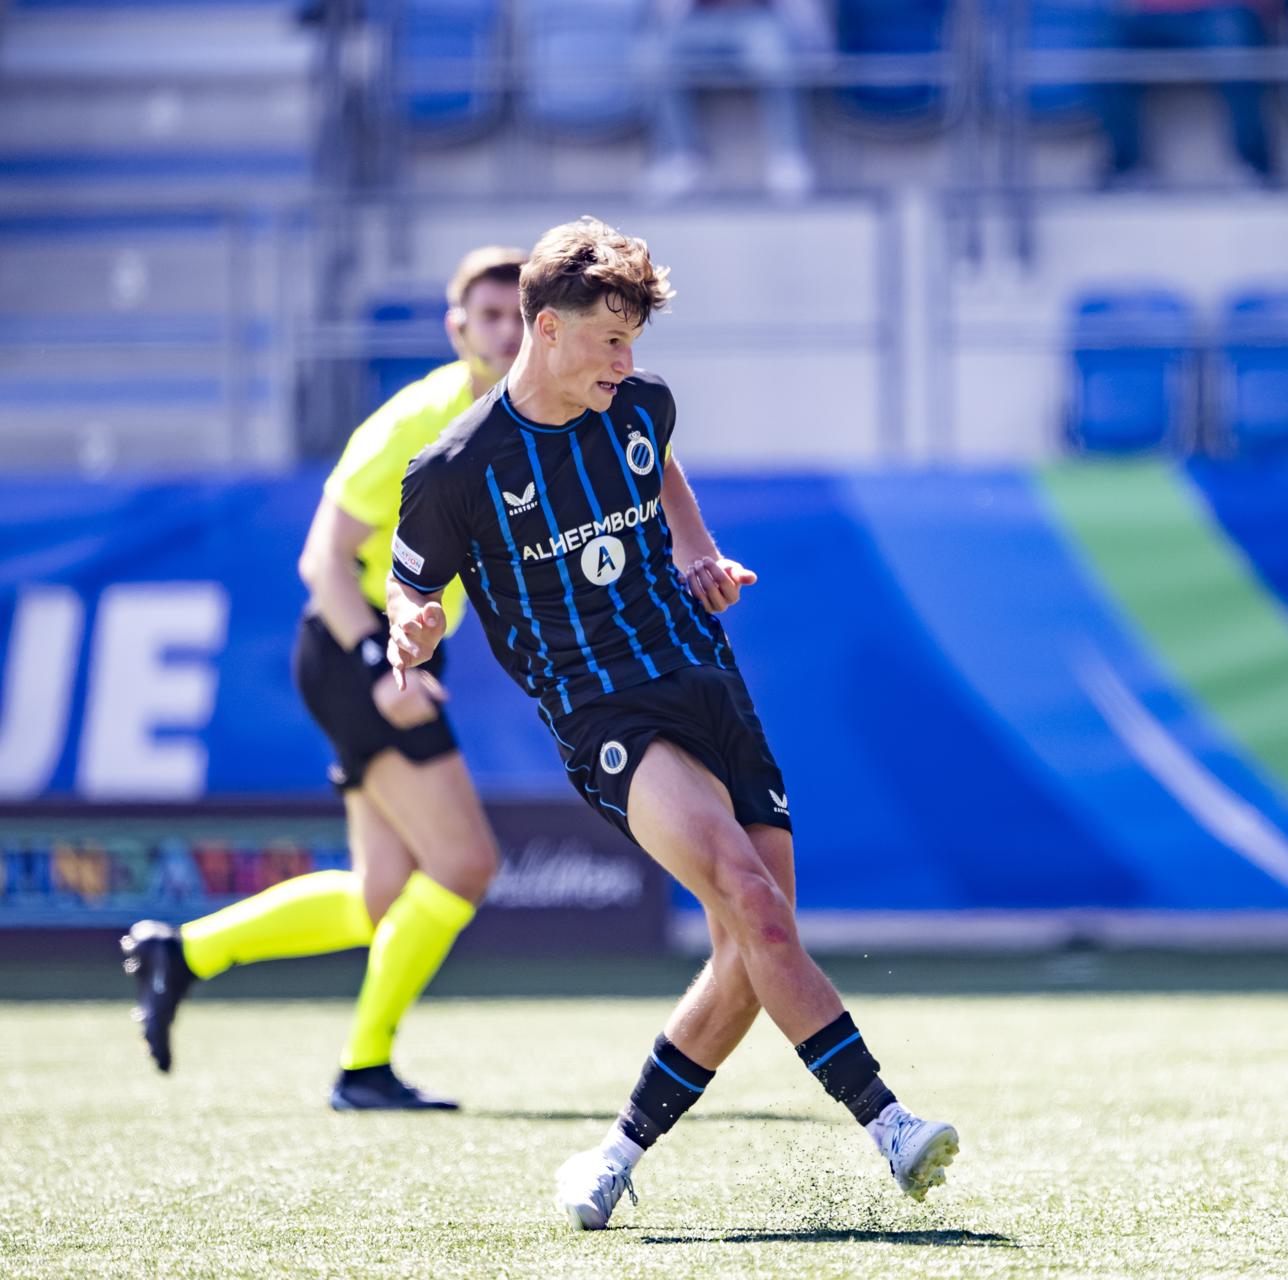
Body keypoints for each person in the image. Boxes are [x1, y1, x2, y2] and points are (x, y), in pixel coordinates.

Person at [381, 216, 959, 1228]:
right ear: (546, 327)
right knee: (755, 904)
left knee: (749, 950)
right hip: (603, 711)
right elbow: (406, 588)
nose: (627, 361)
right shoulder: (454, 469)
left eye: (634, 341)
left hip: (708, 682)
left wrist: (696, 547)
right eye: (610, 340)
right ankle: (890, 1122)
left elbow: (661, 466)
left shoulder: (639, 404)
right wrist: (412, 631)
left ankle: (613, 1152)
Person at [120, 246, 527, 1111]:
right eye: (489, 316)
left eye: (521, 315)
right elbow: (323, 560)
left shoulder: (526, 420)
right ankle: (365, 1069)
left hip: (397, 652)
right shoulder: (416, 421)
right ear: (456, 329)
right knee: (463, 863)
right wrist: (383, 666)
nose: (508, 330)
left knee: (380, 894)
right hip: (359, 652)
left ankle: (184, 952)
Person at [645, 0, 832, 201]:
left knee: (776, 57)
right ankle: (683, 158)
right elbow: (664, 15)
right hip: (696, 21)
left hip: (757, 19)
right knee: (656, 58)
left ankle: (789, 158)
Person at [1100, 0, 1275, 188]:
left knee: (1236, 48)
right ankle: (1127, 168)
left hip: (1221, 10)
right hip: (1145, 13)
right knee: (1105, 52)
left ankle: (1253, 166)